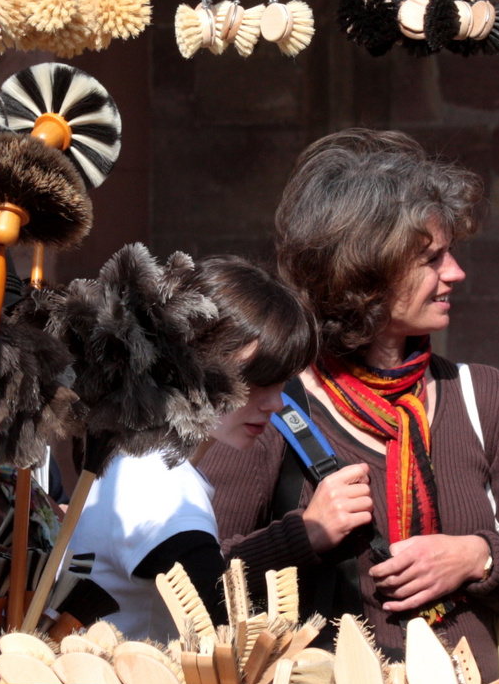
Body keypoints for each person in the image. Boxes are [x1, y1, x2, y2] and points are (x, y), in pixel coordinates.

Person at [199, 130, 499, 681]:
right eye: (431, 259)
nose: (455, 274)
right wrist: (307, 535)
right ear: (366, 273)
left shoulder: (483, 396)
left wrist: (477, 558)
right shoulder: (276, 405)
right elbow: (204, 588)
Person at [68, 256, 318, 640]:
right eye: (256, 381)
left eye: (282, 383)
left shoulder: (130, 459)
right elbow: (218, 615)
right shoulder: (155, 476)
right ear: (189, 360)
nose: (276, 403)